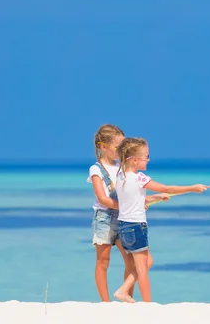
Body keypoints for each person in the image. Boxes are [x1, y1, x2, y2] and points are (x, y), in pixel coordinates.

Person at [113, 137, 206, 303]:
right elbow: (167, 188)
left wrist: (154, 198)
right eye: (146, 156)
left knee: (148, 261)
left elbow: (132, 199)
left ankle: (123, 290)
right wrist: (193, 188)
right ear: (134, 160)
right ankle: (148, 304)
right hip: (136, 227)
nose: (148, 160)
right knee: (142, 269)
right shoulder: (140, 178)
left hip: (123, 228)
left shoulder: (121, 176)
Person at [88, 124, 168, 302]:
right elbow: (103, 199)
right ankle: (105, 302)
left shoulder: (122, 168)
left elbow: (131, 194)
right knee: (103, 261)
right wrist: (129, 205)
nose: (122, 151)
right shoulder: (96, 170)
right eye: (119, 147)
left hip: (125, 220)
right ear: (104, 147)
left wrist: (151, 198)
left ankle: (126, 297)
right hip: (104, 218)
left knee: (134, 261)